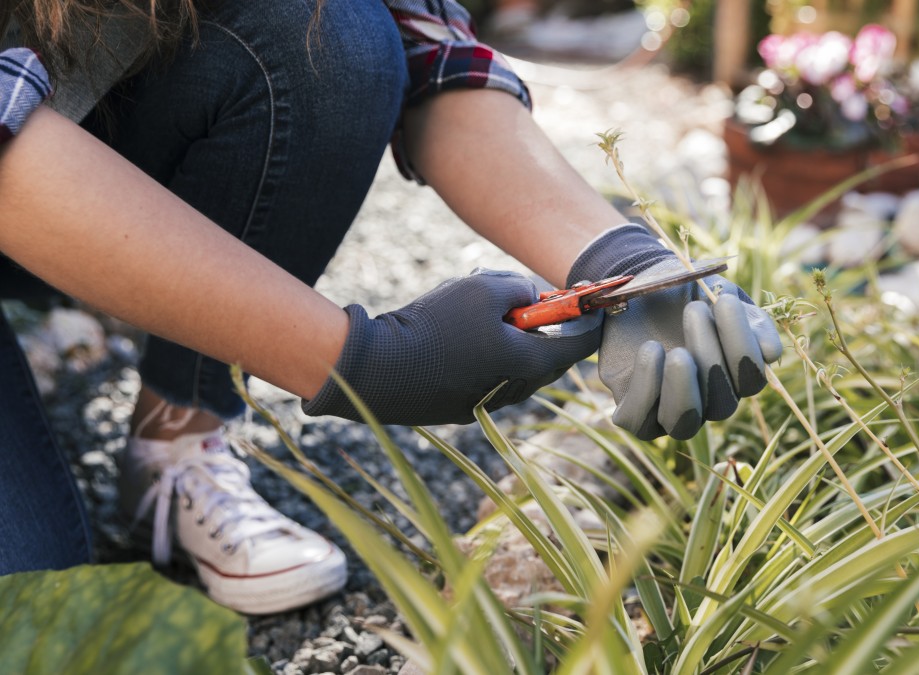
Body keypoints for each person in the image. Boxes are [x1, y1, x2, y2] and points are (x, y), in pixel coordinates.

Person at [0, 0, 782, 615]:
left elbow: (428, 51)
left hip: (70, 158)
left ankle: (177, 441)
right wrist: (368, 363)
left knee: (331, 37)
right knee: (22, 610)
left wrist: (618, 258)